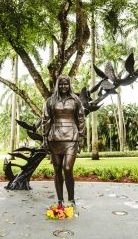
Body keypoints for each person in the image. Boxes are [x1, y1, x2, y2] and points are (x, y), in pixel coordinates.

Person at [42, 75, 85, 207]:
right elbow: (46, 119)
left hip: (71, 138)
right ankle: (60, 200)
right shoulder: (50, 101)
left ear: (69, 85)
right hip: (55, 138)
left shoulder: (76, 100)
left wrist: (81, 137)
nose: (63, 86)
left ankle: (71, 199)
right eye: (61, 84)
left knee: (67, 168)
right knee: (57, 169)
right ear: (57, 85)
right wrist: (44, 137)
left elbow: (81, 119)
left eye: (66, 84)